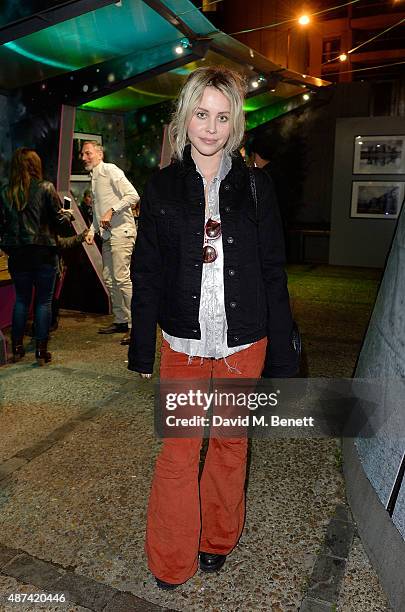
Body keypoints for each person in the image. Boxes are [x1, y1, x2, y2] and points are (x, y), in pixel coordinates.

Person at [128, 67, 298, 589]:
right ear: (185, 117)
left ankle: (217, 539)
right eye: (201, 114)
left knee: (228, 443)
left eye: (222, 117)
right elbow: (147, 269)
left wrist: (285, 356)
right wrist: (140, 347)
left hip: (244, 340)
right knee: (178, 450)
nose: (210, 127)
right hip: (182, 341)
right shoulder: (161, 187)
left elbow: (273, 268)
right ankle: (170, 560)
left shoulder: (256, 185)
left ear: (235, 124)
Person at [0, 148, 71, 365]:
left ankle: (17, 347)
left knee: (21, 300)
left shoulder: (5, 192)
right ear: (35, 165)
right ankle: (41, 350)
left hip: (18, 254)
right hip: (43, 252)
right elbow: (60, 224)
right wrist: (67, 216)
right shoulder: (45, 188)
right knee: (43, 302)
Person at [82, 141, 139, 345]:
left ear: (99, 153)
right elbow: (99, 210)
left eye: (87, 153)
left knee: (122, 278)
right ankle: (121, 320)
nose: (83, 157)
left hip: (122, 231)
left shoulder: (110, 170)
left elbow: (133, 195)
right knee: (110, 278)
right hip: (107, 234)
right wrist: (91, 230)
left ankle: (136, 326)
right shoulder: (95, 177)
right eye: (83, 154)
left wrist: (112, 210)